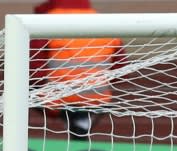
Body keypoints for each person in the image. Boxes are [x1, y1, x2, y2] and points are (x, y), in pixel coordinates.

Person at [29, 0, 126, 139]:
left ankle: (75, 125)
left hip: (59, 100)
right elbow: (120, 69)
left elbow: (34, 71)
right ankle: (81, 124)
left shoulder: (46, 23)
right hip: (98, 98)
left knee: (22, 89)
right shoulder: (105, 24)